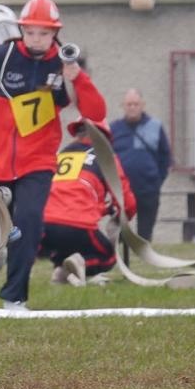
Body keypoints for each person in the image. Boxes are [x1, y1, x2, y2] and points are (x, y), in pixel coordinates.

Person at [0, 0, 106, 313]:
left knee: (29, 223)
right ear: (22, 31)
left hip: (36, 160)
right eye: (30, 32)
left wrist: (77, 78)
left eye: (44, 33)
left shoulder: (63, 63)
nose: (36, 40)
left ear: (55, 33)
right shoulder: (0, 56)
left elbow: (96, 111)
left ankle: (15, 297)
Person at [41, 119, 137, 284]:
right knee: (107, 256)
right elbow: (127, 202)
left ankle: (60, 269)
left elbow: (67, 195)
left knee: (65, 247)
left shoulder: (60, 155)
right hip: (79, 226)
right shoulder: (106, 158)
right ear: (103, 138)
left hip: (45, 225)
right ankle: (76, 266)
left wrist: (103, 210)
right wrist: (123, 217)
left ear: (78, 133)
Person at [109, 88, 171, 243]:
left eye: (135, 104)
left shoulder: (155, 126)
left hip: (148, 187)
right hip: (122, 189)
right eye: (129, 104)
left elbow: (165, 157)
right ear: (123, 106)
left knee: (145, 229)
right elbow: (107, 157)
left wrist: (157, 180)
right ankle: (122, 254)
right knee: (122, 229)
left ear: (142, 105)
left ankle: (144, 253)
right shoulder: (114, 129)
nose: (132, 107)